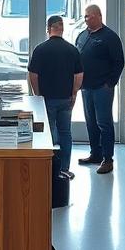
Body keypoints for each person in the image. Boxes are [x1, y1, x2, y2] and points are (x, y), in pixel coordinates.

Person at [28, 15, 84, 179]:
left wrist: (37, 93)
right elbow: (79, 75)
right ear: (62, 28)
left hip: (46, 98)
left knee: (49, 133)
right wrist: (74, 93)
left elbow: (33, 74)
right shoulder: (72, 49)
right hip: (66, 98)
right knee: (65, 133)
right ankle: (64, 169)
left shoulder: (40, 49)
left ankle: (49, 169)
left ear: (48, 28)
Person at [75, 4, 125, 175]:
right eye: (85, 16)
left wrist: (110, 83)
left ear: (98, 16)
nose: (85, 19)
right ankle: (95, 154)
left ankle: (107, 159)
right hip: (85, 88)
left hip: (102, 88)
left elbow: (119, 62)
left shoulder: (110, 37)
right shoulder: (82, 36)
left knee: (103, 123)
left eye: (88, 16)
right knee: (91, 122)